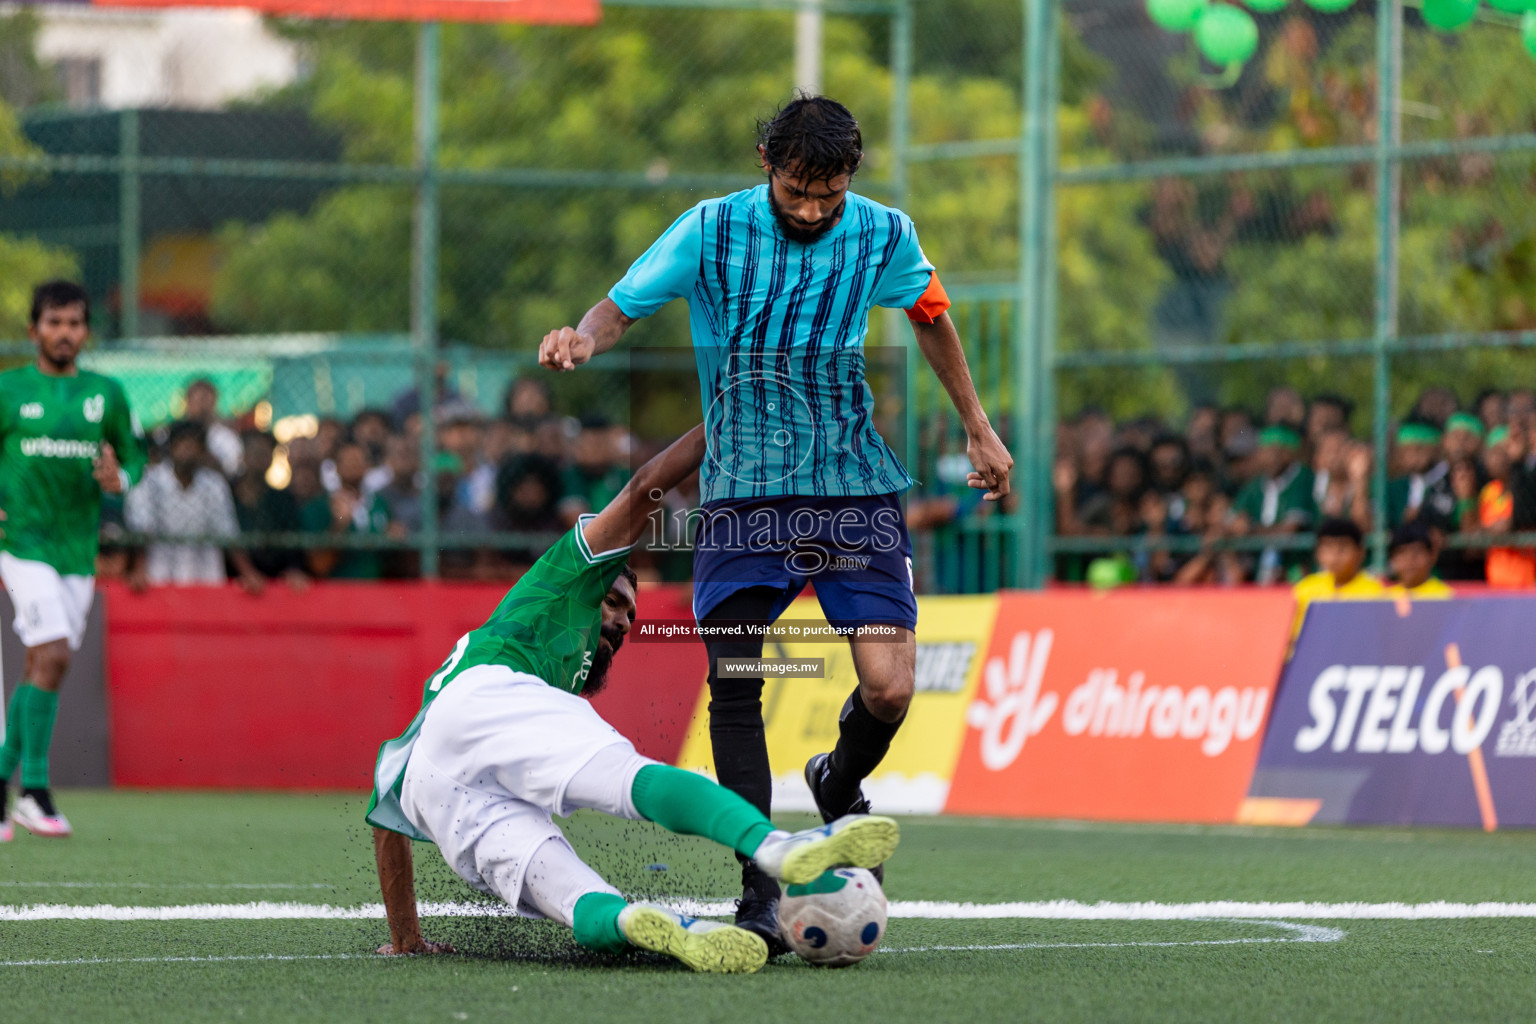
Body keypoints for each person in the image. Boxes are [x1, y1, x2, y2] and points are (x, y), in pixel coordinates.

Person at [538, 95, 1012, 947]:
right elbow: (621, 306)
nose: (814, 209)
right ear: (766, 160)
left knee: (890, 686)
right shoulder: (709, 229)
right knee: (739, 679)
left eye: (829, 194)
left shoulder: (884, 233)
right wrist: (582, 336)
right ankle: (758, 886)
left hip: (853, 482)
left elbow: (932, 319)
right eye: (798, 190)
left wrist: (977, 424)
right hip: (743, 489)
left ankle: (836, 779)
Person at [366, 427, 898, 973]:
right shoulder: (565, 576)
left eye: (632, 616)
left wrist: (405, 937)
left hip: (438, 785)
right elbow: (648, 485)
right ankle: (776, 848)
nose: (623, 622)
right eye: (616, 603)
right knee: (628, 779)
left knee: (573, 895)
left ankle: (631, 921)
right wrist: (721, 423)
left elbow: (387, 819)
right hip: (489, 693)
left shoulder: (447, 704)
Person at [0, 281, 146, 840]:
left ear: (87, 331)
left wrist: (122, 477)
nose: (64, 333)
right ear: (34, 329)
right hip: (23, 544)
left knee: (41, 665)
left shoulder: (105, 393)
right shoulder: (10, 389)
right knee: (54, 653)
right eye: (54, 322)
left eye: (75, 323)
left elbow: (135, 453)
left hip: (77, 552)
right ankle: (33, 790)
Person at [126, 421, 266, 593]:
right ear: (171, 447)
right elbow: (142, 531)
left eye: (194, 445)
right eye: (183, 443)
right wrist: (140, 569)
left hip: (205, 578)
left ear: (202, 451)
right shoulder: (149, 481)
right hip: (160, 577)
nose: (188, 450)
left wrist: (247, 572)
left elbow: (227, 533)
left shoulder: (214, 484)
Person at [1230, 424, 1317, 584]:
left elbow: (1289, 530)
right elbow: (1234, 521)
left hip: (1295, 569)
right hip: (1259, 570)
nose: (1272, 457)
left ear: (1291, 453)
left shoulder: (1302, 479)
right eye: (1266, 451)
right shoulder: (1256, 484)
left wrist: (1250, 529)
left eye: (1279, 451)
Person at [302, 441, 390, 580]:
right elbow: (319, 564)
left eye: (359, 460)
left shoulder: (381, 504)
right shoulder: (319, 507)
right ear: (336, 466)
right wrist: (340, 524)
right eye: (348, 461)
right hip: (337, 591)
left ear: (368, 465)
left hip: (377, 591)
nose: (354, 466)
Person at [1290, 517, 1384, 643]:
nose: (1335, 556)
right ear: (1318, 554)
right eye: (1328, 548)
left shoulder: (1376, 592)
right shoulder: (1304, 589)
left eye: (1343, 548)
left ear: (1361, 552)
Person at [182, 378, 242, 478]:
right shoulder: (175, 434)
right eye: (197, 399)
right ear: (188, 401)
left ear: (214, 401)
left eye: (205, 399)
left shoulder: (226, 437)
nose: (201, 406)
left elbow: (234, 470)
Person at [1386, 521, 1454, 600]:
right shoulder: (1385, 598)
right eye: (1402, 552)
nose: (1409, 560)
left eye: (1416, 552)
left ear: (1431, 555)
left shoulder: (1444, 596)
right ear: (1392, 558)